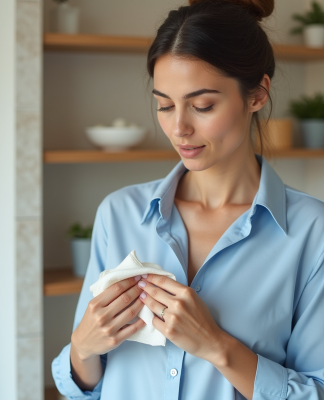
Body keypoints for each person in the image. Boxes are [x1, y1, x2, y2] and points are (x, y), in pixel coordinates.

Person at [52, 0, 324, 399]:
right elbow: (82, 387)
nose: (178, 127)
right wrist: (83, 347)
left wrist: (216, 345)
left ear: (257, 95)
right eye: (164, 105)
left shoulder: (311, 232)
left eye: (202, 105)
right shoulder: (119, 213)